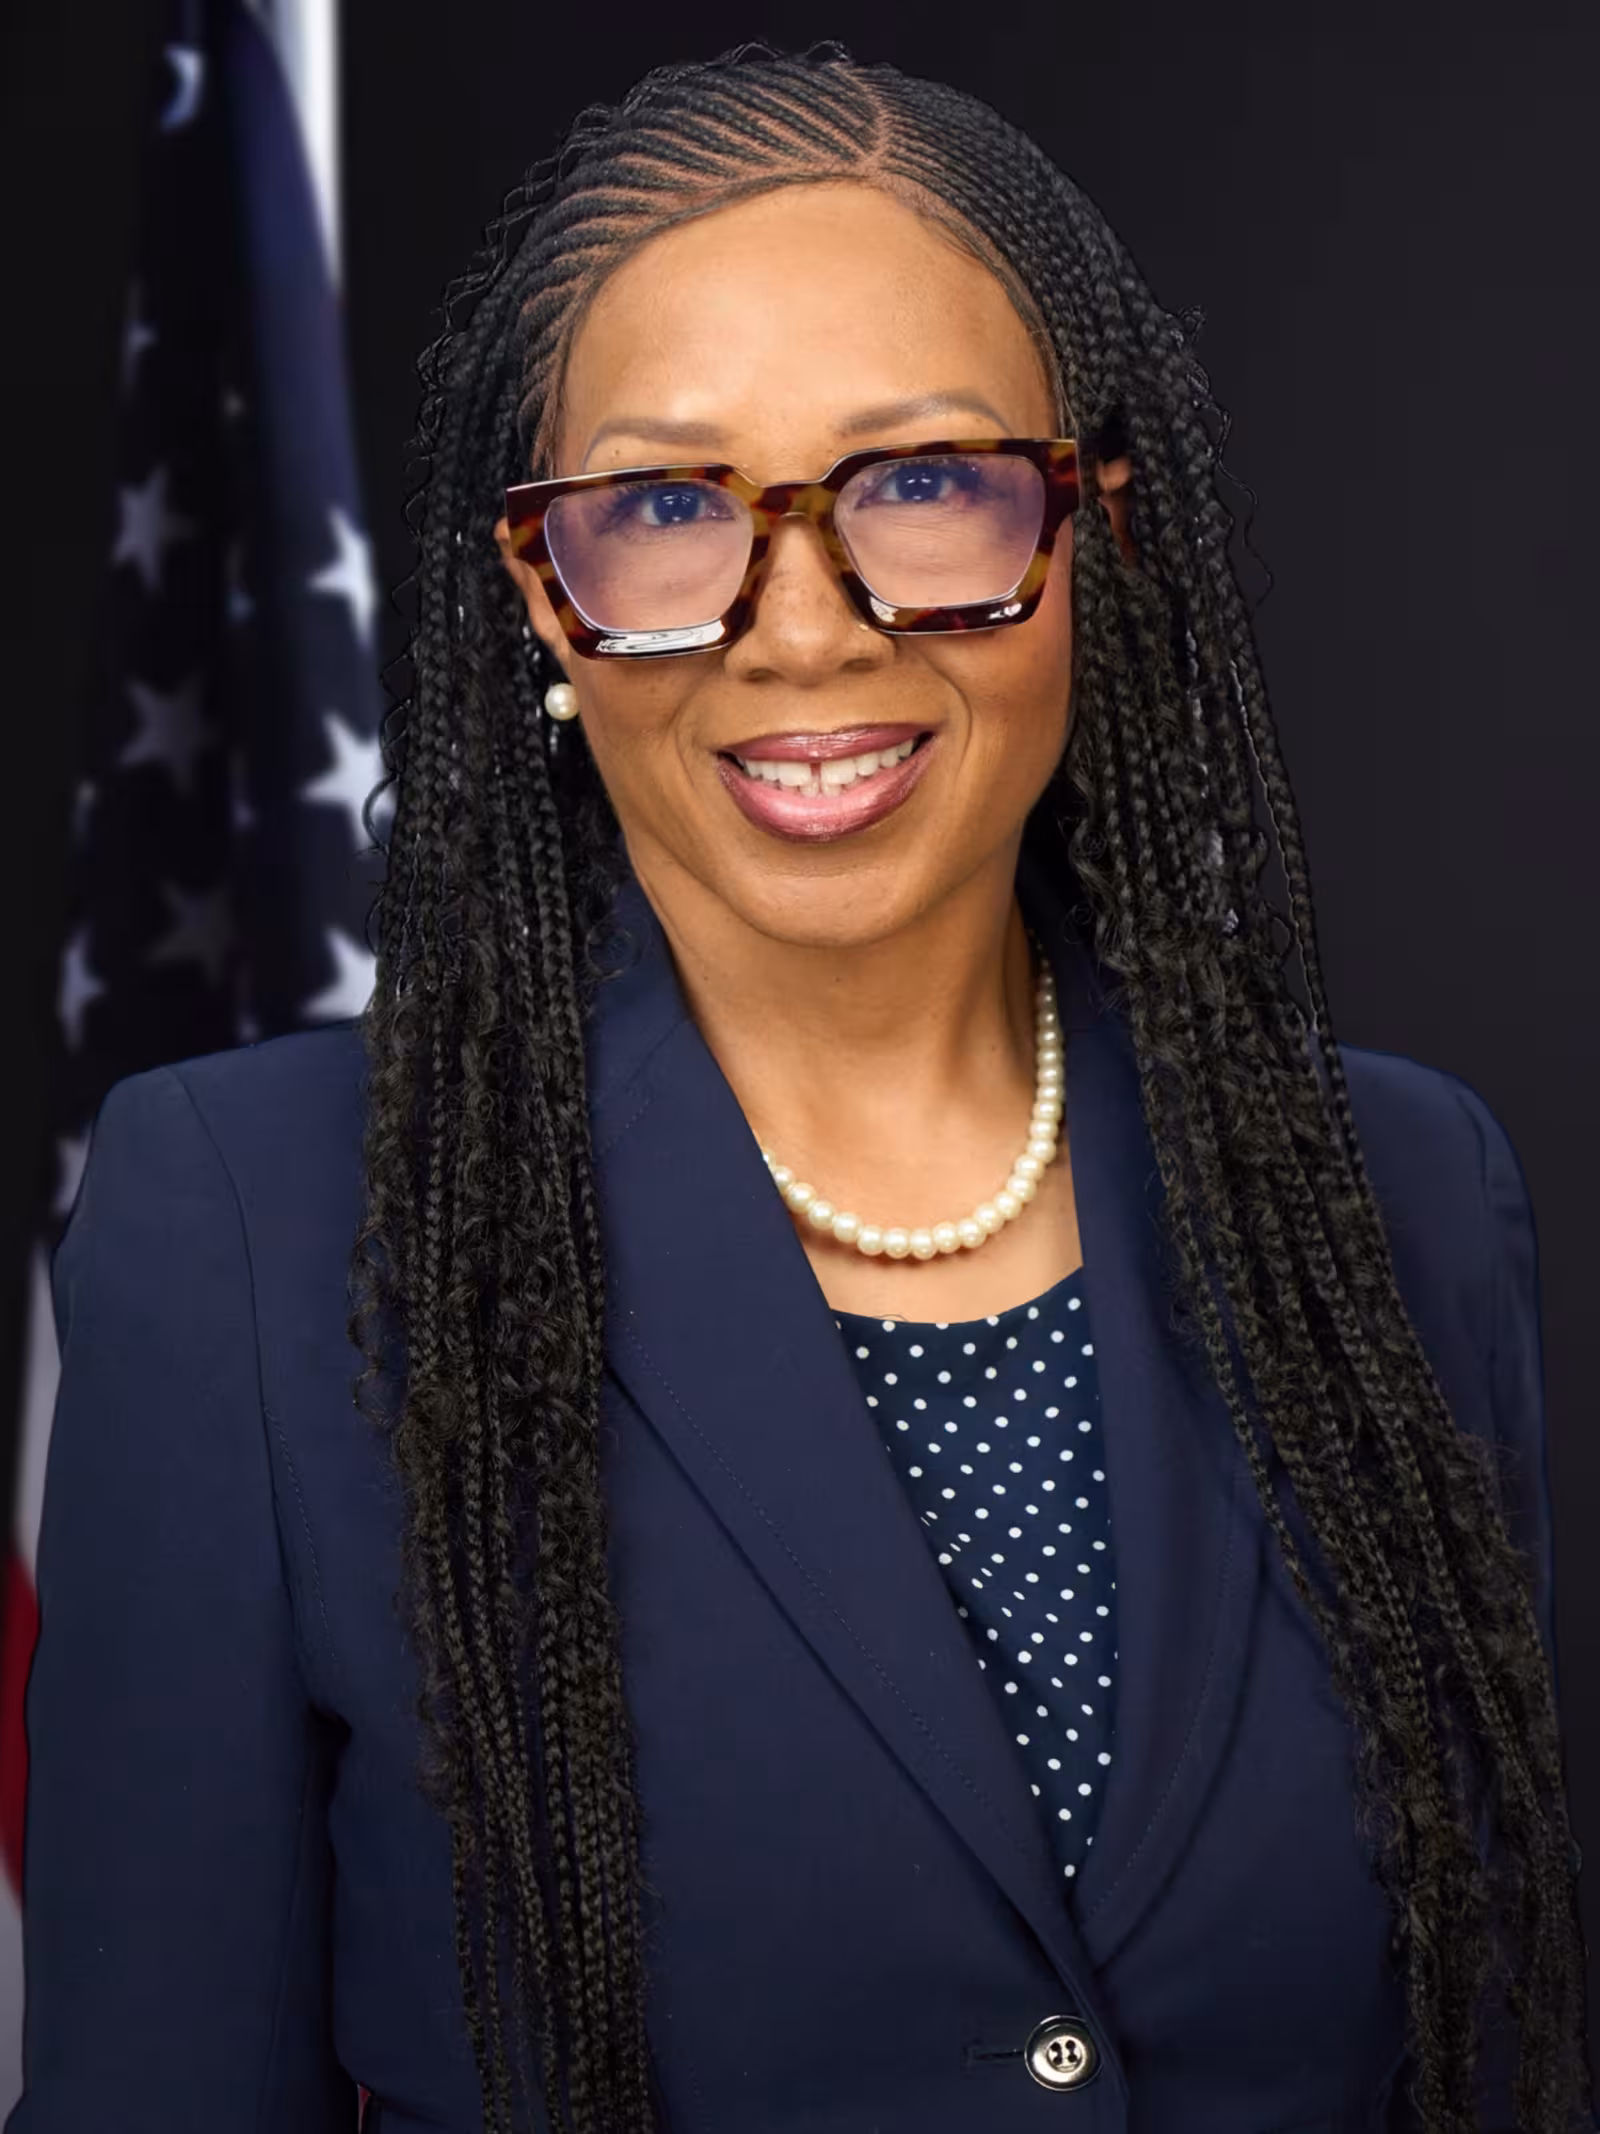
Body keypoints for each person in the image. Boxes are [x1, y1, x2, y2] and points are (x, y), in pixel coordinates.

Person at [9, 39, 1593, 2134]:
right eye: (667, 509)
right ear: (544, 594)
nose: (804, 629)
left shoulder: (1395, 1194)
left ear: (1093, 529)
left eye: (919, 481)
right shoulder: (251, 1230)